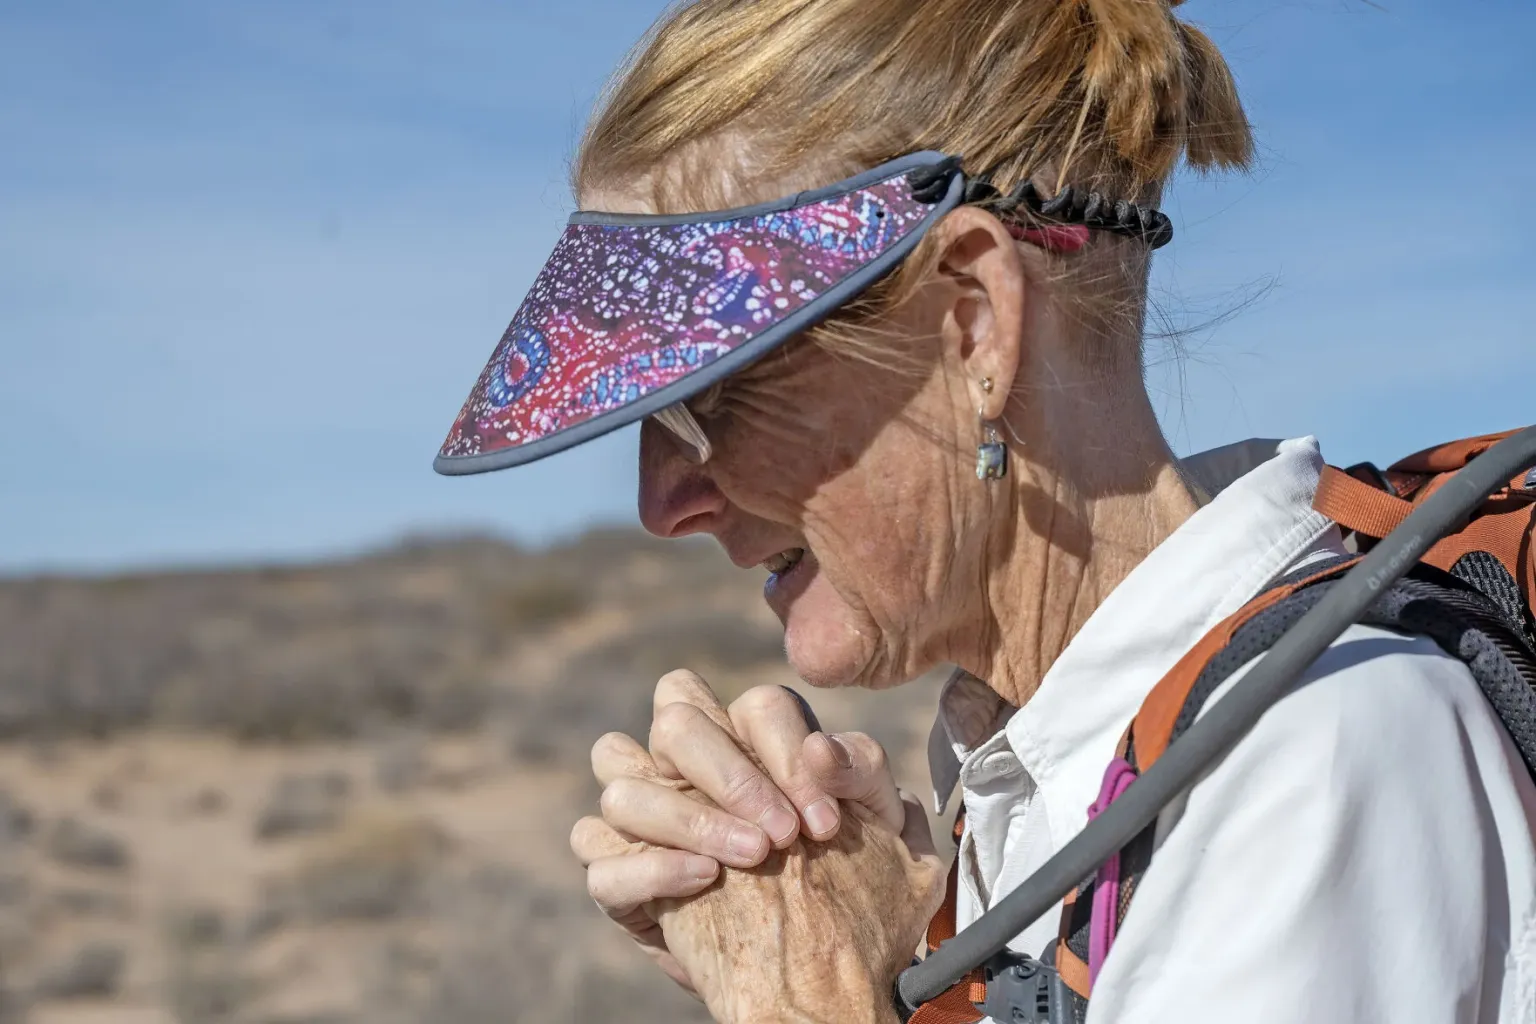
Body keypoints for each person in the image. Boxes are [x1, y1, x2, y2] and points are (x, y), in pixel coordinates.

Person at [433, 1, 1536, 1021]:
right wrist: (885, 932)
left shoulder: (1311, 757)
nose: (660, 500)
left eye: (705, 400)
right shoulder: (1025, 764)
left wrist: (806, 995)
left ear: (972, 328)